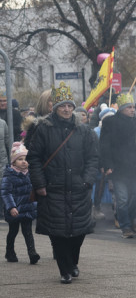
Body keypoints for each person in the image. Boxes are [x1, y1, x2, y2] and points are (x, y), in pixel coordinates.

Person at [26, 91, 99, 283]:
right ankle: (64, 270)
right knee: (57, 231)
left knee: (79, 231)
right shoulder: (43, 129)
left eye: (69, 106)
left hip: (78, 187)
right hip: (52, 188)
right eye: (62, 106)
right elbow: (33, 158)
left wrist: (87, 180)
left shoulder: (84, 131)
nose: (66, 109)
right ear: (55, 108)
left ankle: (72, 262)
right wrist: (40, 184)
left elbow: (93, 158)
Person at [99, 94, 136, 238]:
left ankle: (130, 218)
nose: (132, 110)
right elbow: (104, 145)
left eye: (133, 107)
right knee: (122, 199)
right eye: (129, 107)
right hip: (118, 167)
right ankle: (125, 227)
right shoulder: (110, 122)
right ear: (122, 108)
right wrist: (107, 165)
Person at [3, 141, 40, 263]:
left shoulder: (30, 174)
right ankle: (10, 252)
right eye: (20, 159)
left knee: (28, 231)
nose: (24, 161)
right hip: (14, 209)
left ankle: (32, 253)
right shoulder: (9, 175)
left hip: (27, 208)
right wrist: (11, 207)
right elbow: (6, 192)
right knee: (13, 231)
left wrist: (35, 205)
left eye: (26, 159)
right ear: (14, 162)